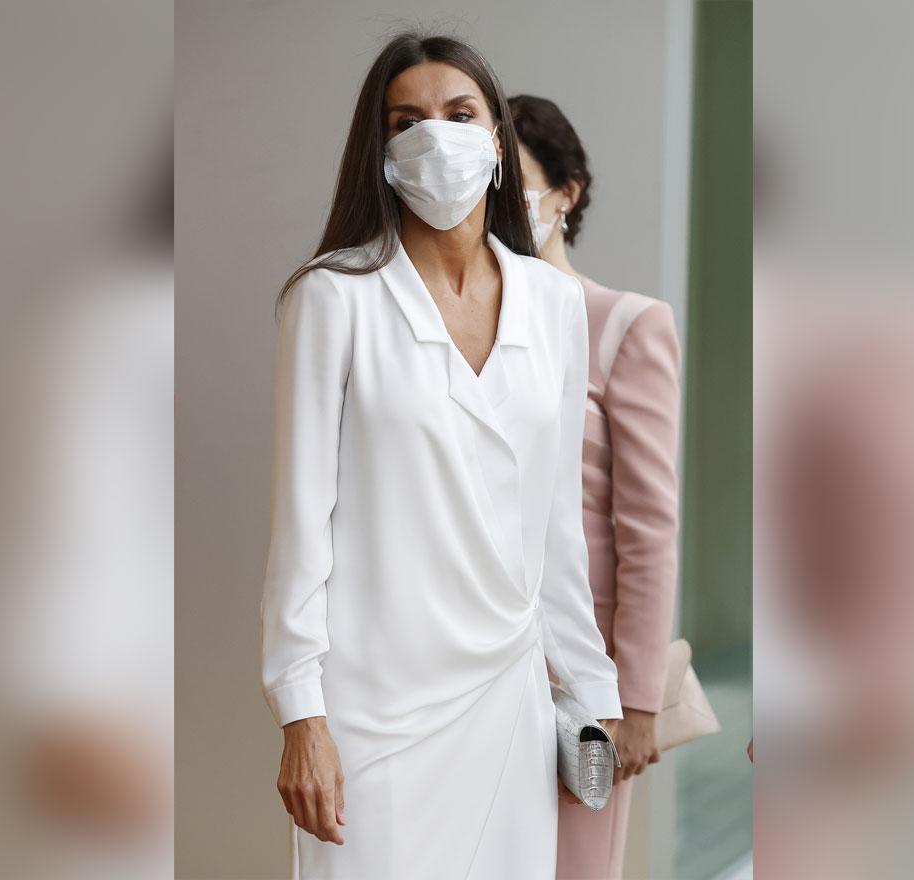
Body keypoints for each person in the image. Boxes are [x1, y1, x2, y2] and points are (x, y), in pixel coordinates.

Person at [259, 34, 623, 879]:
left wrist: (595, 698)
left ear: (496, 141)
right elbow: (299, 526)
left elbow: (556, 529)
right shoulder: (333, 297)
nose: (437, 136)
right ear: (380, 155)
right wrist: (300, 715)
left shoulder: (554, 305)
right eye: (407, 121)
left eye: (460, 114)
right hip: (372, 710)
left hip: (509, 703)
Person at [509, 94, 683, 880]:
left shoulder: (625, 324)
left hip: (583, 684)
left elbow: (648, 526)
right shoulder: (464, 332)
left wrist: (638, 697)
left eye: (506, 181)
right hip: (480, 664)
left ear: (565, 193)